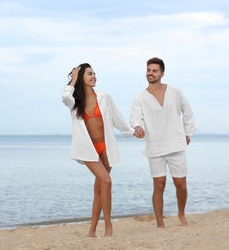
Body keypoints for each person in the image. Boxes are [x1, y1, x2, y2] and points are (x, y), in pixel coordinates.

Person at [62, 63, 140, 237]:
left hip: (105, 147)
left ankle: (92, 230)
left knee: (99, 189)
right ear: (81, 77)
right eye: (89, 74)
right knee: (106, 181)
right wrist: (73, 78)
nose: (94, 76)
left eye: (94, 73)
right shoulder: (74, 101)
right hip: (88, 149)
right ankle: (109, 227)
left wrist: (131, 132)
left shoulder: (104, 96)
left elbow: (116, 117)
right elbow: (65, 96)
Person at [130, 57, 198, 228]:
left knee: (181, 185)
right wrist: (137, 128)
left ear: (162, 73)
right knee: (159, 184)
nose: (150, 73)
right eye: (148, 70)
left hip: (176, 144)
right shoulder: (140, 97)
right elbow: (135, 118)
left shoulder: (175, 91)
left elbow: (187, 111)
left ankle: (181, 214)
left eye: (154, 70)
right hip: (155, 146)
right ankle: (160, 223)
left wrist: (188, 132)